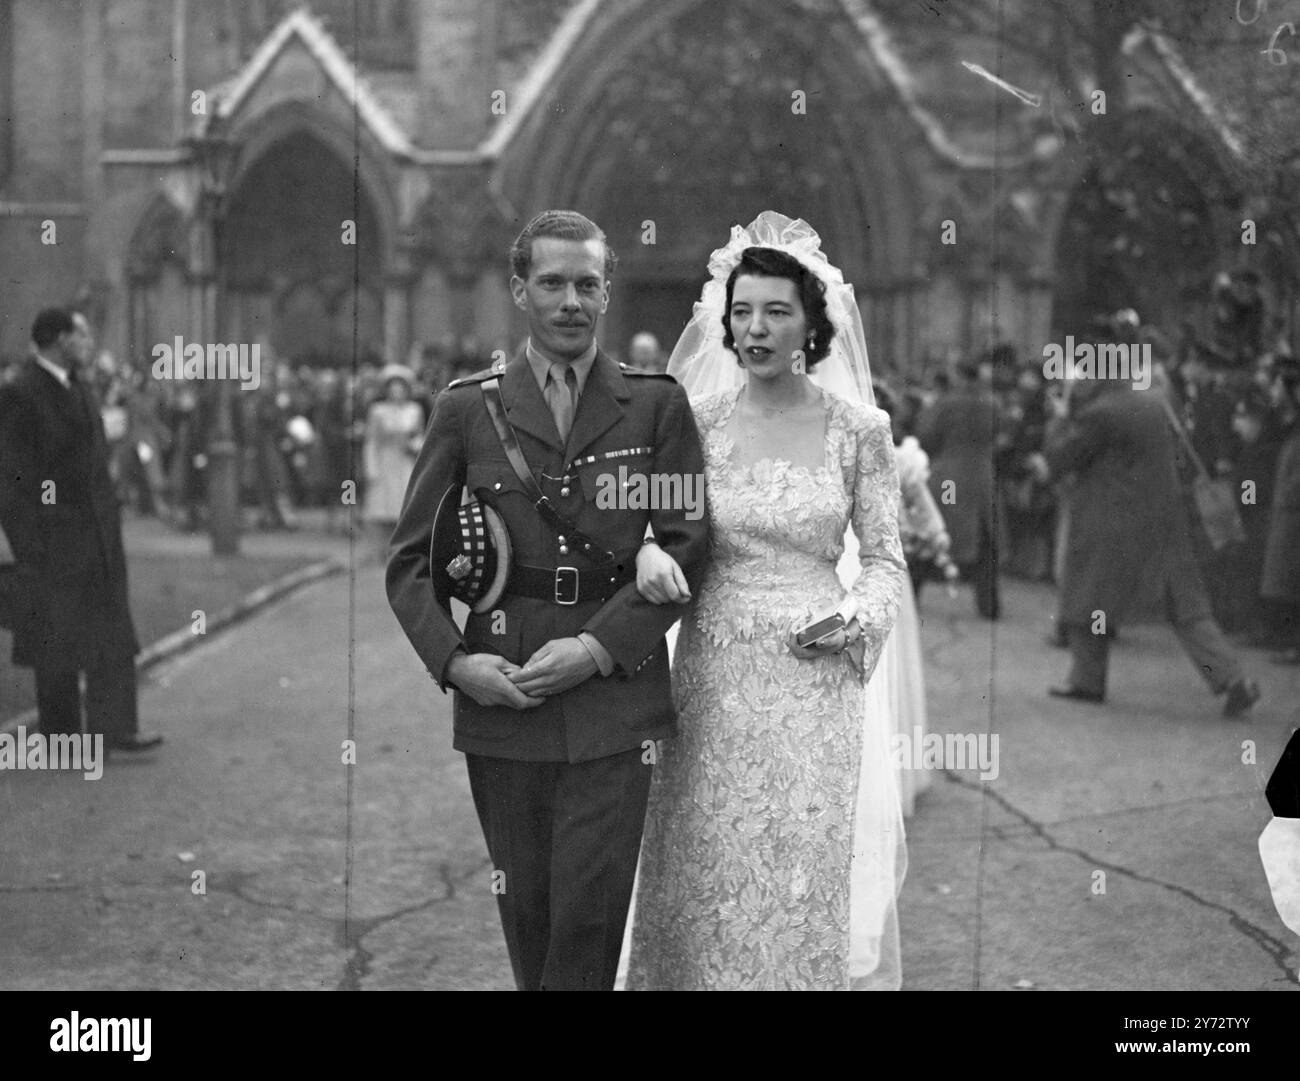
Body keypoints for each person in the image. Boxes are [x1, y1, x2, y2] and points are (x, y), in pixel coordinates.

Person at [386, 209, 710, 991]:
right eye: (554, 283)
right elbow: (408, 563)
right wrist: (460, 666)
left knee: (589, 917)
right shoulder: (468, 409)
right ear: (519, 290)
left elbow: (689, 541)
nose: (572, 301)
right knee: (528, 913)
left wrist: (597, 647)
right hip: (507, 692)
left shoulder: (657, 406)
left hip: (612, 698)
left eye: (587, 285)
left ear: (608, 294)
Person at [627, 212, 907, 990]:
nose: (755, 327)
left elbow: (884, 560)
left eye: (776, 311)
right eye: (743, 310)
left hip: (815, 684)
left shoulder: (861, 430)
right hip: (713, 673)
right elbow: (654, 524)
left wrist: (856, 617)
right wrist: (649, 547)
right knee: (704, 856)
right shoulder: (694, 422)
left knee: (796, 864)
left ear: (812, 324)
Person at [1043, 325, 1259, 717]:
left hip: (1110, 523)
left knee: (1088, 599)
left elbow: (1061, 459)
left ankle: (1087, 679)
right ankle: (1230, 678)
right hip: (1165, 518)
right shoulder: (1152, 400)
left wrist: (1059, 417)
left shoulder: (1100, 413)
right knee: (1186, 607)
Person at [0, 308, 162, 752]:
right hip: (53, 540)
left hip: (97, 537)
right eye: (82, 334)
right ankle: (61, 734)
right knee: (57, 639)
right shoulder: (21, 392)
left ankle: (116, 728)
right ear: (57, 339)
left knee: (110, 632)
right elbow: (13, 478)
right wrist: (30, 544)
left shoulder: (81, 386)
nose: (89, 343)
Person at [916, 358, 1000, 619]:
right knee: (985, 539)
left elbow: (926, 435)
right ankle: (989, 605)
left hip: (949, 475)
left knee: (932, 530)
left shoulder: (947, 403)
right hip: (983, 476)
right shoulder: (993, 403)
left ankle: (911, 594)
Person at [363, 364, 423, 561]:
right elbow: (372, 441)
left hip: (405, 461)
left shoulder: (414, 410)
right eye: (392, 388)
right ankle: (381, 550)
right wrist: (371, 467)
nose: (396, 392)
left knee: (404, 503)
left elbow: (421, 436)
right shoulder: (378, 411)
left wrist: (415, 445)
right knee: (383, 505)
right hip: (386, 460)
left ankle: (403, 551)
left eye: (400, 388)